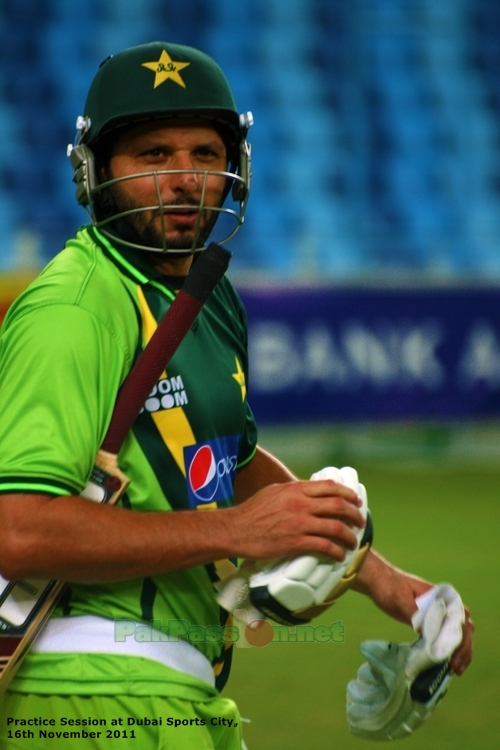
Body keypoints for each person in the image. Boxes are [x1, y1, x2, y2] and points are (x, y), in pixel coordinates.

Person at [0, 42, 473, 749]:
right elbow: (19, 528)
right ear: (95, 172)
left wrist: (377, 576)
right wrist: (233, 532)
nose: (185, 179)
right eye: (153, 155)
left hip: (170, 687)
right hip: (84, 691)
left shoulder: (206, 295)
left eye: (203, 152)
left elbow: (231, 458)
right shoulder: (75, 306)